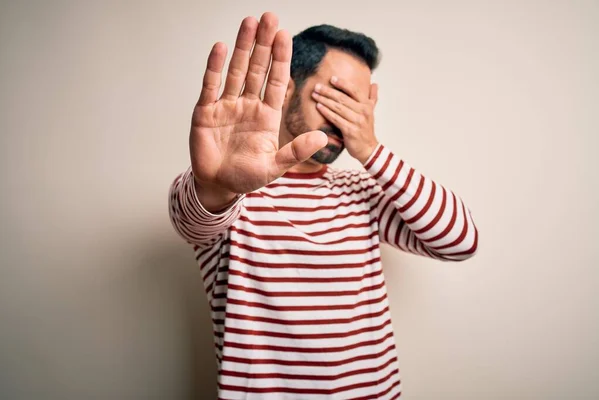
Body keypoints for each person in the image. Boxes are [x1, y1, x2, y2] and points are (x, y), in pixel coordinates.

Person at [169, 12, 478, 399]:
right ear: (285, 88)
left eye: (360, 105)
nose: (348, 119)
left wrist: (371, 150)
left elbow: (461, 241)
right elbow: (193, 222)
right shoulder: (228, 186)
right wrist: (218, 184)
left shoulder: (361, 192)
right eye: (337, 96)